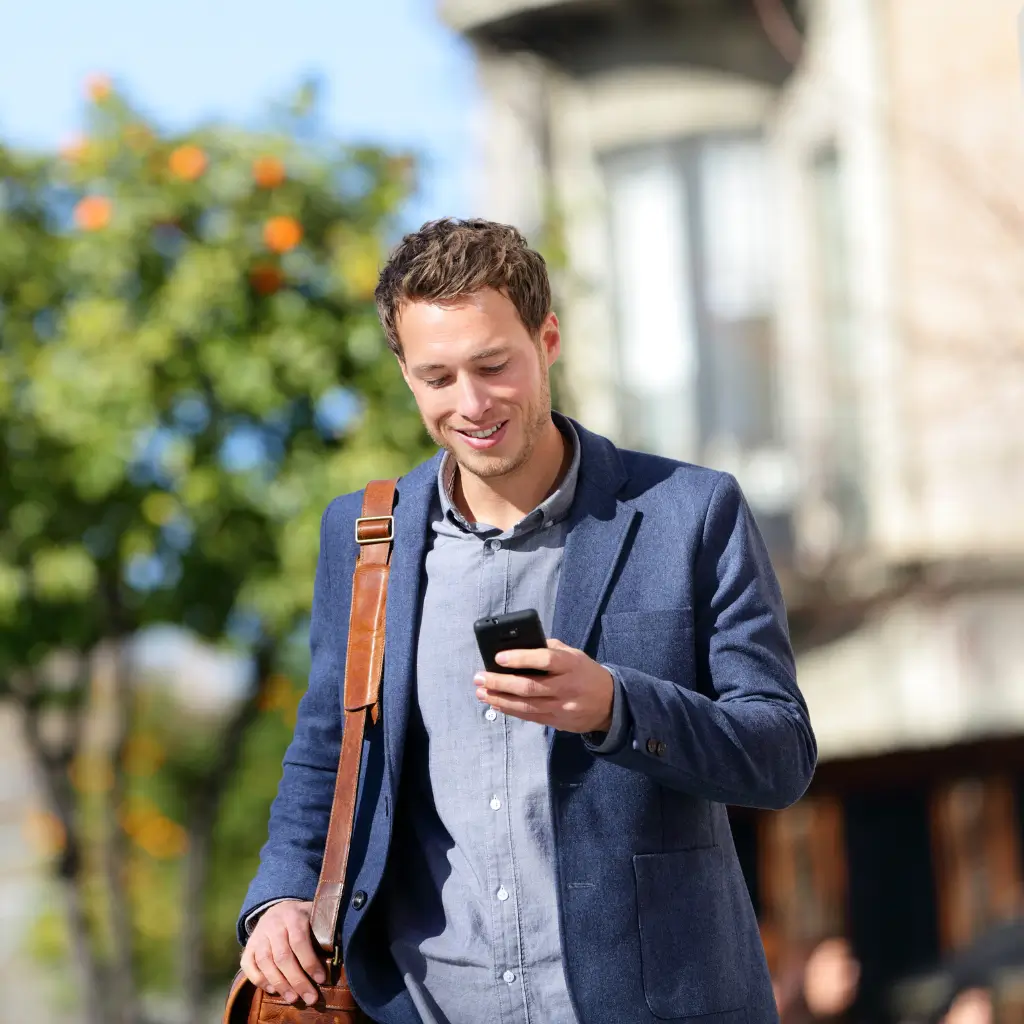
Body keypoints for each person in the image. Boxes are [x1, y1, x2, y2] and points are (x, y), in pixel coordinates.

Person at [236, 218, 817, 1023]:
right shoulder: (367, 536)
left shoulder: (691, 512)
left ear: (547, 340)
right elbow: (330, 746)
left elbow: (780, 753)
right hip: (423, 1004)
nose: (470, 404)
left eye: (492, 365)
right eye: (437, 377)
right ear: (405, 373)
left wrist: (617, 708)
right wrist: (282, 894)